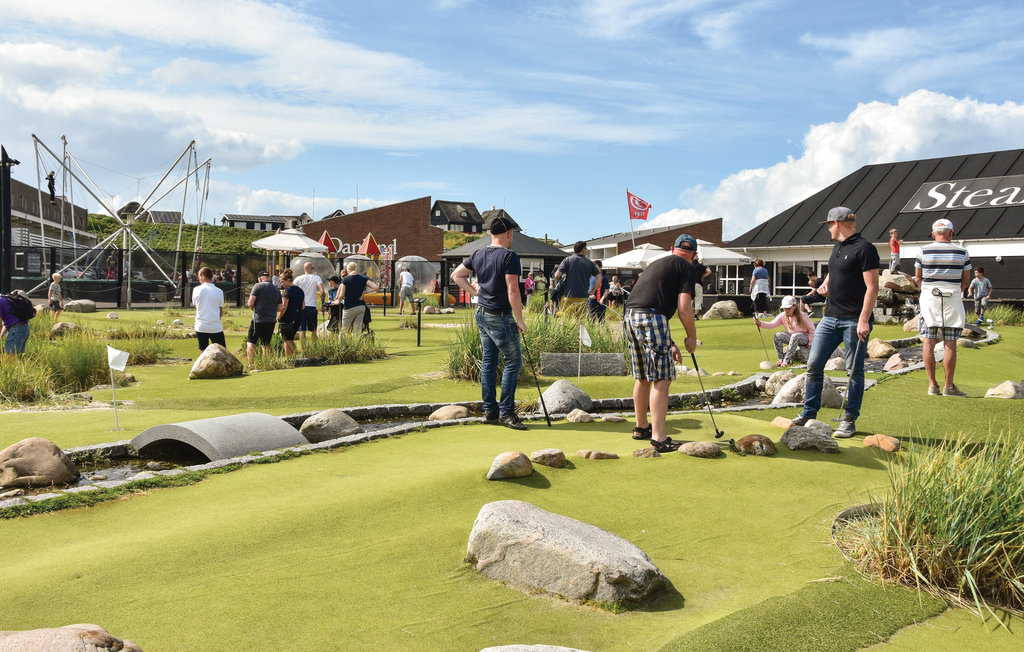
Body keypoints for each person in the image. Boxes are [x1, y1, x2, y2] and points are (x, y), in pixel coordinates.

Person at [791, 207, 879, 438]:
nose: (828, 229)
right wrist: (826, 283)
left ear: (837, 224)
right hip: (830, 318)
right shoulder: (838, 247)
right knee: (813, 365)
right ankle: (809, 413)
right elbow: (834, 271)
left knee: (854, 371)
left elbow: (872, 287)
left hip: (854, 320)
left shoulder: (865, 248)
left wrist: (863, 320)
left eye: (829, 225)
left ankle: (849, 420)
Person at [450, 214, 528, 431]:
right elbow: (513, 289)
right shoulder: (509, 256)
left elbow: (457, 275)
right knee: (513, 362)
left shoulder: (479, 253)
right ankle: (506, 412)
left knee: (489, 362)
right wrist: (520, 320)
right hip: (500, 316)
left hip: (482, 313)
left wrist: (475, 292)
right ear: (509, 234)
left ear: (491, 234)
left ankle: (491, 411)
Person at [623, 233, 699, 452]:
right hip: (651, 318)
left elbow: (651, 299)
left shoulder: (657, 263)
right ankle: (659, 438)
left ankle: (641, 427)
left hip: (630, 316)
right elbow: (684, 307)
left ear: (672, 248)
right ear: (693, 254)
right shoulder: (687, 268)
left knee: (643, 375)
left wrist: (671, 342)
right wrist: (691, 337)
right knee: (662, 379)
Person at [916, 218, 971, 397]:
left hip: (929, 298)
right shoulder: (962, 252)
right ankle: (949, 386)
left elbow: (918, 278)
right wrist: (955, 290)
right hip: (952, 298)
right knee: (950, 344)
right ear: (951, 233)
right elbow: (965, 281)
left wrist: (926, 290)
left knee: (928, 342)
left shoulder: (923, 251)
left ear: (933, 234)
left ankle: (932, 385)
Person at [755, 295, 815, 366]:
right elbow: (772, 324)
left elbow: (812, 329)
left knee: (795, 336)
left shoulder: (802, 315)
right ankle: (781, 359)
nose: (786, 310)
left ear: (794, 307)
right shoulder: (783, 315)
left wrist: (810, 343)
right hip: (792, 336)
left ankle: (786, 361)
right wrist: (760, 323)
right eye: (784, 308)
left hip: (804, 338)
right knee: (777, 336)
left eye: (788, 308)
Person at [553, 241, 599, 316]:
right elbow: (599, 278)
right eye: (586, 249)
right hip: (583, 296)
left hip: (567, 296)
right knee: (580, 322)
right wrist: (592, 291)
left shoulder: (567, 260)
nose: (586, 251)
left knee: (565, 320)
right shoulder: (589, 263)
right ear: (583, 249)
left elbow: (557, 275)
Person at [246, 270, 282, 364]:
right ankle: (266, 364)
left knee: (251, 342)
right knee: (265, 344)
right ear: (269, 278)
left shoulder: (257, 286)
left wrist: (253, 308)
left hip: (258, 319)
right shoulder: (276, 289)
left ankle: (251, 364)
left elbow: (250, 302)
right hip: (271, 320)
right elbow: (280, 307)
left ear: (260, 279)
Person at [339, 261, 379, 333]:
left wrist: (337, 301)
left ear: (349, 269)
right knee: (357, 330)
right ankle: (357, 343)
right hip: (361, 306)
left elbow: (341, 295)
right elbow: (375, 287)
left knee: (344, 330)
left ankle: (341, 344)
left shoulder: (346, 279)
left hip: (349, 306)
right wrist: (364, 292)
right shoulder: (362, 279)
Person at [191, 266, 225, 351]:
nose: (198, 278)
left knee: (203, 353)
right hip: (215, 326)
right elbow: (220, 312)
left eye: (199, 276)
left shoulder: (196, 289)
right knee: (222, 352)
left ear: (203, 276)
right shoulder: (219, 291)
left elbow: (196, 305)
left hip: (201, 326)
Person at [294, 262, 324, 347]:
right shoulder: (316, 278)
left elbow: (293, 288)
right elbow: (322, 291)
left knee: (302, 329)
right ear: (311, 269)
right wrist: (323, 303)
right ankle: (313, 347)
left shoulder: (298, 278)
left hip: (301, 306)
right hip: (311, 306)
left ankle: (303, 348)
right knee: (313, 329)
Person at [277, 270, 304, 355]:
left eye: (282, 282)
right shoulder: (300, 290)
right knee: (290, 338)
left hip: (287, 318)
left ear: (288, 280)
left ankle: (289, 359)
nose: (282, 284)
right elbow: (303, 306)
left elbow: (284, 306)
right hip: (298, 318)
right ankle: (295, 356)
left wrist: (280, 316)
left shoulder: (286, 291)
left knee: (286, 340)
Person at [0, 290, 32, 355]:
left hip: (16, 330)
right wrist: (1, 336)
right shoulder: (4, 299)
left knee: (10, 357)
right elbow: (7, 323)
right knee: (15, 357)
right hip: (23, 328)